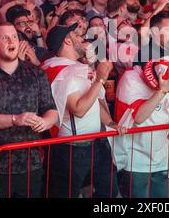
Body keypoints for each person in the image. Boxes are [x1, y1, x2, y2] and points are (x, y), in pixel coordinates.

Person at [0, 23, 59, 198]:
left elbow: (51, 110)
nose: (12, 41)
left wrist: (45, 122)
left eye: (15, 37)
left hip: (31, 162)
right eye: (5, 37)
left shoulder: (36, 74)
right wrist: (15, 119)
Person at [42, 24, 125, 198]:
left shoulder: (74, 67)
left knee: (109, 191)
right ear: (67, 40)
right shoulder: (61, 71)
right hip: (73, 147)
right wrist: (100, 79)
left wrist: (110, 123)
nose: (81, 38)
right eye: (76, 35)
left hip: (96, 143)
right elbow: (79, 109)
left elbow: (94, 101)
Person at [115, 57, 169, 198]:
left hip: (161, 156)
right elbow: (139, 118)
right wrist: (161, 91)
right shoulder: (130, 78)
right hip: (136, 158)